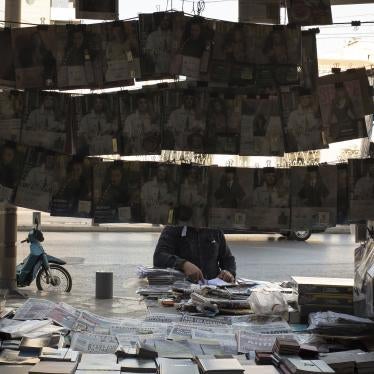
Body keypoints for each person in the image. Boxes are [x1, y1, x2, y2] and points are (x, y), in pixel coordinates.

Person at [154, 225, 236, 283]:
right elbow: (159, 256)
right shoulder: (172, 228)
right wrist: (183, 264)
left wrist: (229, 272)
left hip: (212, 290)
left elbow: (228, 259)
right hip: (180, 289)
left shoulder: (215, 230)